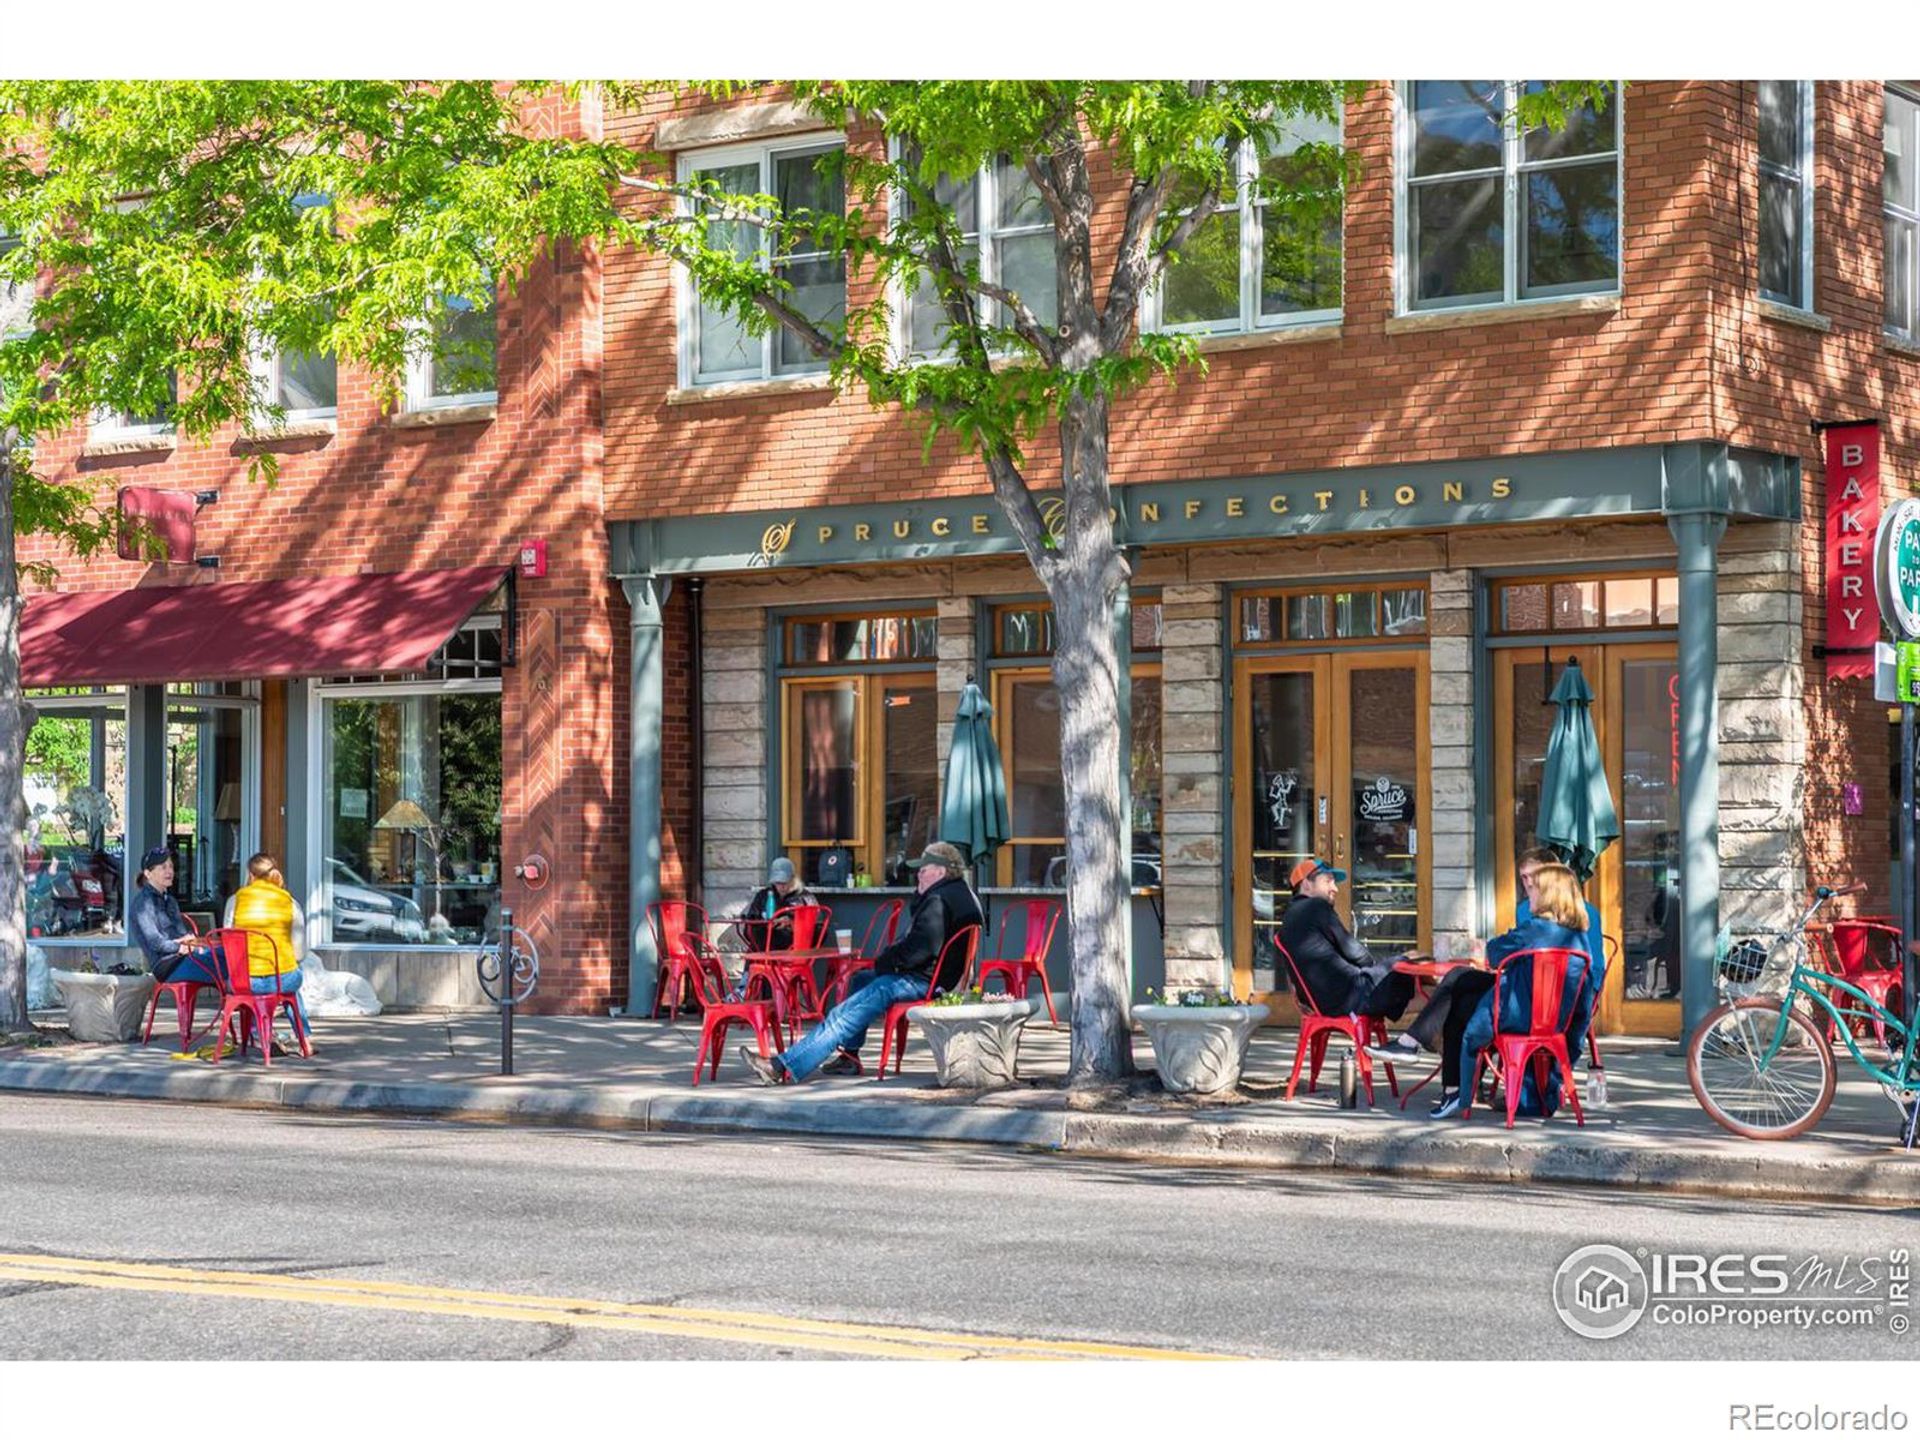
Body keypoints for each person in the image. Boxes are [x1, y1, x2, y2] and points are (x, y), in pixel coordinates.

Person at [740, 841, 982, 1085]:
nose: (918, 873)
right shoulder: (959, 893)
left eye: (924, 869)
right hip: (937, 978)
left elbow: (918, 950)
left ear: (940, 872)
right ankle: (849, 1057)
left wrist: (886, 961)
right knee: (860, 980)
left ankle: (782, 1066)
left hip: (923, 981)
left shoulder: (939, 900)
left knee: (843, 1014)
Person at [1413, 862, 1593, 1121]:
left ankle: (1457, 1094)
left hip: (1515, 1016)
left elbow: (1494, 953)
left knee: (1463, 1011)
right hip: (1556, 1026)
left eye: (1534, 889)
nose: (1528, 892)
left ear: (1548, 895)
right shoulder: (1579, 940)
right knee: (1464, 986)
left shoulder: (1534, 929)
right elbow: (1583, 1002)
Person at [1278, 857, 1416, 1022]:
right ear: (1307, 884)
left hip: (1325, 1001)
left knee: (1413, 981)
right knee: (1412, 961)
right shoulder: (1315, 907)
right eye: (1328, 881)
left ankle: (1426, 1030)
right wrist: (1378, 969)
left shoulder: (1289, 916)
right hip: (1350, 996)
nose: (1335, 888)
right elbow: (1357, 954)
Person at [228, 853, 310, 1030]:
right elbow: (300, 953)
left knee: (250, 989)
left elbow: (229, 941)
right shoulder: (290, 901)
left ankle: (257, 1032)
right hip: (283, 979)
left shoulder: (236, 900)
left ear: (250, 875)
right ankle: (304, 1037)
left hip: (246, 982)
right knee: (293, 981)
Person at [129, 846, 221, 987]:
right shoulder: (142, 904)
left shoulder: (170, 901)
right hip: (166, 966)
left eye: (171, 866)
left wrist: (189, 941)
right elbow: (156, 943)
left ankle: (239, 1003)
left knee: (226, 956)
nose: (169, 871)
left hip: (183, 957)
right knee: (224, 965)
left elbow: (181, 934)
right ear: (148, 873)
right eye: (163, 867)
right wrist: (179, 947)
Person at [734, 857, 818, 952]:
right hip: (764, 945)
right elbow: (749, 926)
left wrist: (792, 923)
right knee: (756, 936)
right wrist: (765, 923)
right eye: (778, 882)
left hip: (793, 948)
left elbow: (817, 930)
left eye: (785, 882)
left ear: (793, 878)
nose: (782, 886)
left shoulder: (805, 898)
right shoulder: (763, 896)